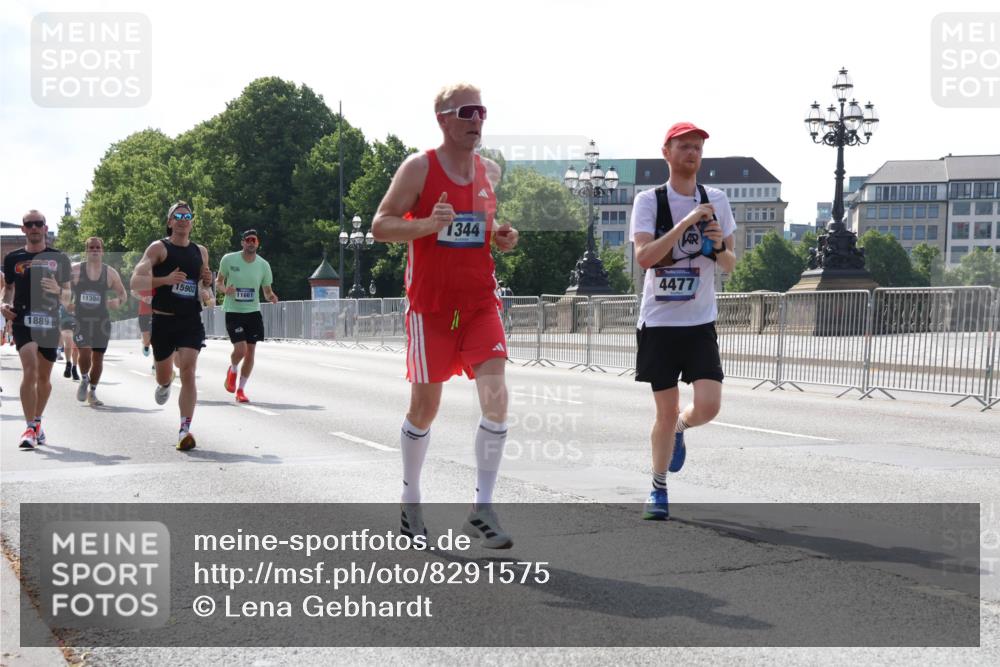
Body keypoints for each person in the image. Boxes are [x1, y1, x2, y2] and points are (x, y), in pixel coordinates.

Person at [372, 83, 519, 548]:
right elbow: (380, 225)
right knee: (425, 407)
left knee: (496, 397)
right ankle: (411, 499)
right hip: (431, 307)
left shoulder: (489, 171)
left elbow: (484, 224)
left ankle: (482, 508)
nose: (477, 120)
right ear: (443, 118)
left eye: (482, 111)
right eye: (467, 112)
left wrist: (500, 235)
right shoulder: (418, 168)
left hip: (479, 301)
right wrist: (427, 225)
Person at [630, 122, 737, 520]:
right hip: (659, 323)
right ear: (667, 153)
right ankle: (657, 489)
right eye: (685, 147)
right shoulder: (649, 200)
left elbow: (730, 262)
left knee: (708, 406)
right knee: (663, 408)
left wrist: (716, 242)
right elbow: (645, 258)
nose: (692, 153)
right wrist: (686, 223)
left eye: (698, 148)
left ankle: (681, 429)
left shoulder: (717, 200)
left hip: (699, 321)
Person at [130, 201, 212, 451]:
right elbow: (135, 282)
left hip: (190, 320)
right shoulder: (158, 248)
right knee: (165, 374)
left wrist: (207, 283)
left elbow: (205, 288)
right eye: (178, 216)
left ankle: (184, 429)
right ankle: (165, 383)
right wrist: (165, 279)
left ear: (192, 221)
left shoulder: (201, 251)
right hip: (163, 319)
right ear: (169, 221)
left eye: (187, 216)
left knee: (189, 371)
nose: (183, 220)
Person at [1, 210, 72, 449]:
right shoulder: (13, 258)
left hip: (49, 321)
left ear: (44, 227)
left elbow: (69, 297)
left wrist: (57, 290)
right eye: (29, 224)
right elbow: (8, 289)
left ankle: (38, 421)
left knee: (43, 378)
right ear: (23, 229)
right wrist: (3, 304)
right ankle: (30, 427)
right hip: (23, 319)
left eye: (38, 223)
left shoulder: (59, 258)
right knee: (29, 370)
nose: (33, 227)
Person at [216, 229, 278, 403]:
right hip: (234, 311)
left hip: (253, 312)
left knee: (250, 352)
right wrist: (224, 290)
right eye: (248, 240)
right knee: (241, 349)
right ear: (242, 242)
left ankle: (241, 390)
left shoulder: (263, 265)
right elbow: (218, 282)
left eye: (254, 240)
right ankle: (233, 369)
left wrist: (271, 297)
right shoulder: (228, 260)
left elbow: (267, 291)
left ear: (257, 243)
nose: (251, 243)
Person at [70, 237, 127, 407]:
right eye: (91, 247)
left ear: (102, 251)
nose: (94, 250)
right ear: (86, 251)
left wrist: (118, 302)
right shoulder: (74, 271)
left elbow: (122, 294)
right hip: (81, 319)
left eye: (98, 247)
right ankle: (84, 379)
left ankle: (93, 391)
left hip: (101, 320)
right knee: (85, 352)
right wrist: (66, 302)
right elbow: (63, 289)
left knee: (98, 358)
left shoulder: (109, 273)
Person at [130, 286, 154, 358]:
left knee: (155, 339)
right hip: (143, 313)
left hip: (155, 313)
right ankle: (145, 344)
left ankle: (155, 364)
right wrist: (143, 298)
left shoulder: (158, 279)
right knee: (147, 341)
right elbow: (132, 292)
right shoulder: (142, 280)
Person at [58, 304, 79, 380]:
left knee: (75, 347)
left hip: (77, 323)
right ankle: (68, 363)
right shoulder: (62, 300)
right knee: (68, 343)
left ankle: (74, 368)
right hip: (65, 323)